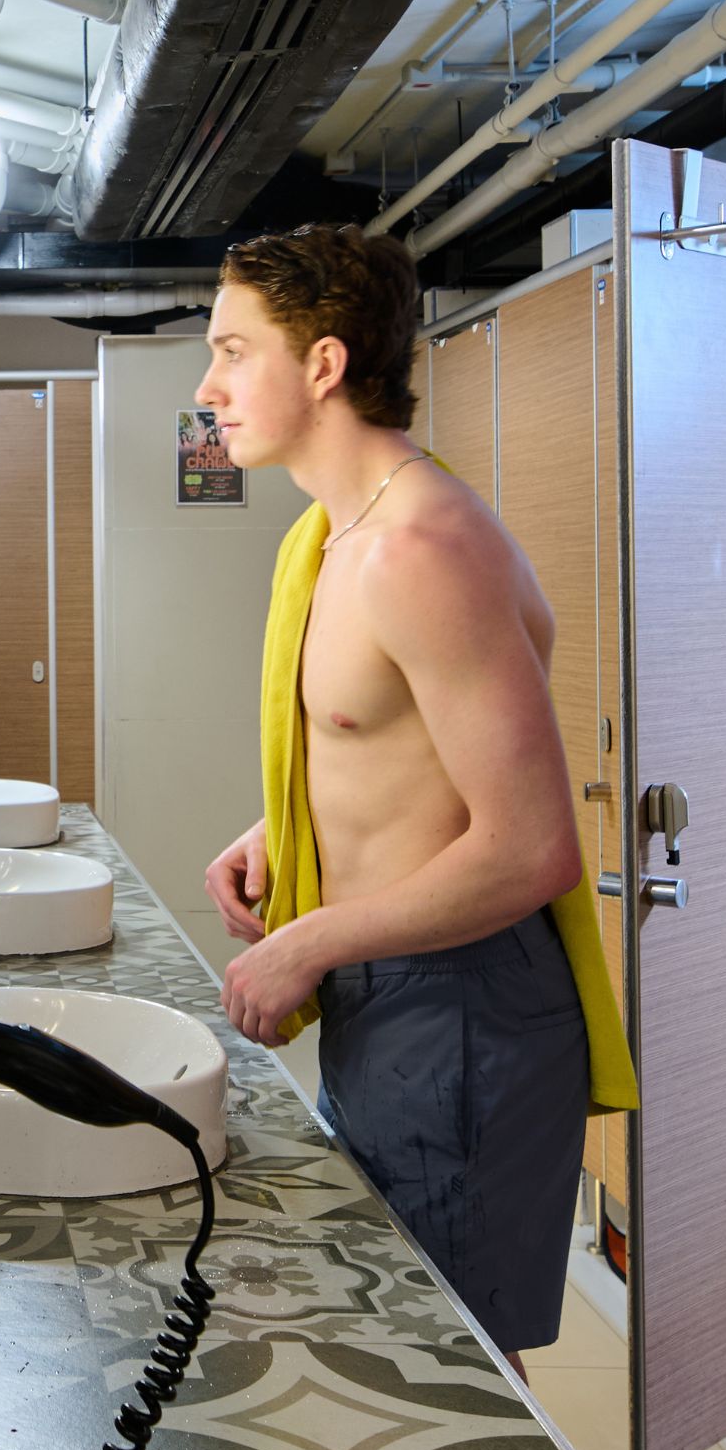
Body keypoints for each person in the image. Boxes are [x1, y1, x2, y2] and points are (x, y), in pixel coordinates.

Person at [195, 223, 626, 1357]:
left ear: (323, 364)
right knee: (385, 1329)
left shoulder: (418, 551)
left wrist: (307, 941)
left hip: (462, 1008)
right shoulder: (336, 537)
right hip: (392, 999)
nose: (209, 386)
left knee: (443, 1371)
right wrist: (276, 825)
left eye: (234, 351)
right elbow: (398, 744)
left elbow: (532, 847)